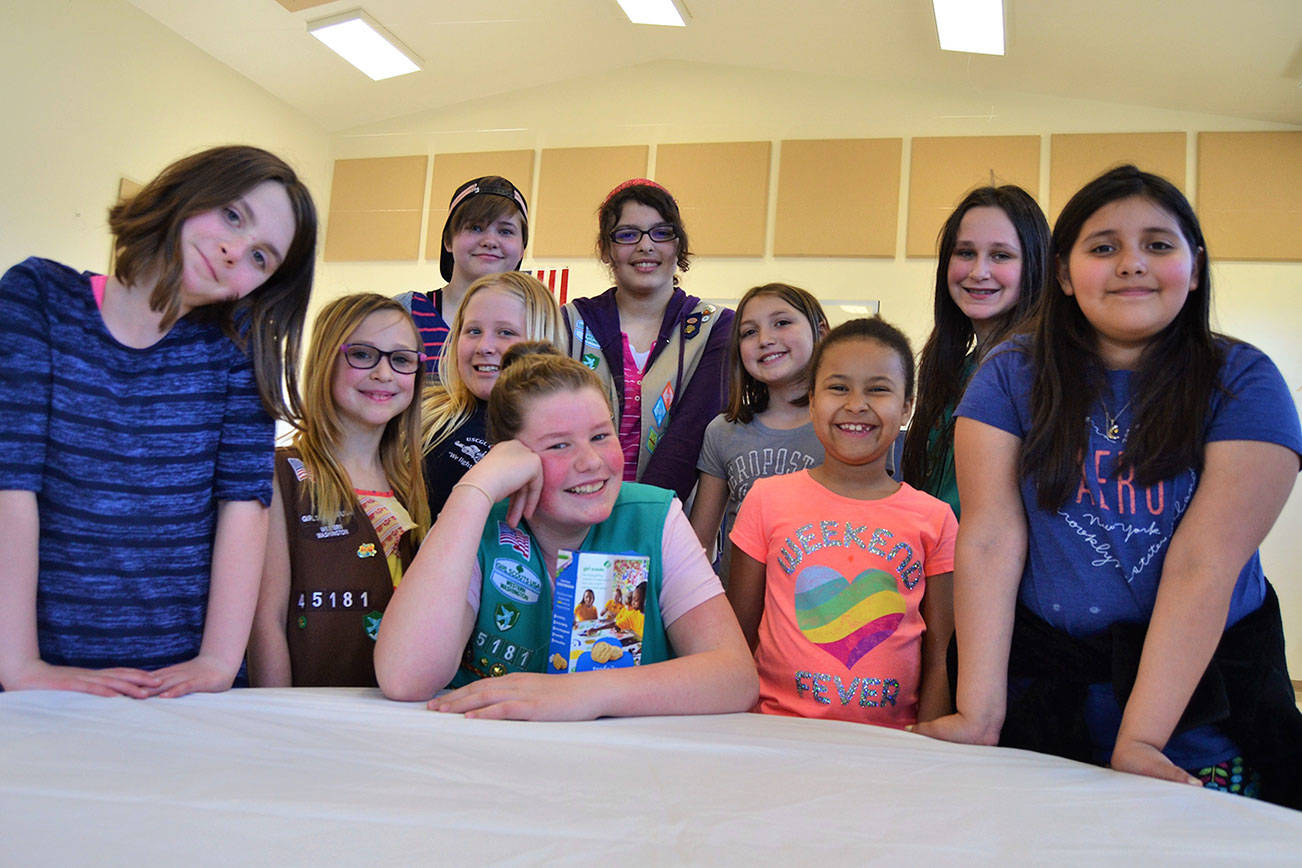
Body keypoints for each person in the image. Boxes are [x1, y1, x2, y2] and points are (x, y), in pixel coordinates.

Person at [915, 166, 1302, 808]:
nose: (1131, 264)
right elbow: (988, 540)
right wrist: (978, 713)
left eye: (1158, 244)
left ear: (1196, 267)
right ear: (1064, 274)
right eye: (1103, 247)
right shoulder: (1009, 374)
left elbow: (1205, 564)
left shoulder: (1246, 383)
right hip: (1043, 710)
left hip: (1204, 727)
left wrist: (1142, 740)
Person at [0, 145, 318, 697]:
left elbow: (244, 506)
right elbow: (11, 483)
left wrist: (218, 661)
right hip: (43, 670)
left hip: (181, 681)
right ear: (188, 190)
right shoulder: (37, 298)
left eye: (261, 258)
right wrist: (20, 664)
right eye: (232, 215)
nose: (232, 250)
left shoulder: (236, 348)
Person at [374, 343, 757, 720]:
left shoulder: (654, 518)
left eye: (600, 436)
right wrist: (474, 491)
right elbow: (405, 678)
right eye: (558, 445)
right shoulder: (480, 522)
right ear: (511, 459)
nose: (591, 462)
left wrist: (585, 694)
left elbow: (735, 678)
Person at [728, 318, 958, 729]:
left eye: (878, 389)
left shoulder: (936, 518)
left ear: (907, 406)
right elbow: (737, 638)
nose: (856, 404)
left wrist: (926, 747)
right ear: (812, 400)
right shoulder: (766, 500)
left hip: (891, 745)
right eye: (838, 387)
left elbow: (941, 653)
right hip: (774, 736)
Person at [248, 294, 430, 687]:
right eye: (363, 355)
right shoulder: (282, 472)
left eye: (401, 360)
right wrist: (276, 719)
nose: (384, 373)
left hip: (394, 708)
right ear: (326, 360)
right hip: (310, 713)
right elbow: (266, 621)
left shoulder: (410, 482)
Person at [562, 179, 732, 504]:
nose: (645, 246)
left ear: (678, 245)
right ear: (606, 249)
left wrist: (640, 519)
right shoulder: (567, 324)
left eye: (661, 232)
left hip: (672, 523)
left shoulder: (717, 327)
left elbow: (690, 437)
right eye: (627, 234)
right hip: (576, 516)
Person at [900, 186, 1049, 519]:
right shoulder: (955, 367)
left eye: (1001, 255)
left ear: (1034, 265)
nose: (978, 271)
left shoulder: (1039, 370)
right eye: (965, 252)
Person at [690, 283, 828, 584]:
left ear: (822, 331)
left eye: (782, 323)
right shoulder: (723, 431)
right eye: (749, 332)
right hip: (739, 612)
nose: (765, 339)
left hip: (821, 613)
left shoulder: (842, 428)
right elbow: (699, 544)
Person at [421, 272, 562, 517]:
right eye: (473, 331)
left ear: (542, 341)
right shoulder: (425, 416)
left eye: (506, 332)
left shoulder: (564, 437)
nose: (485, 347)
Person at [397, 176, 529, 373]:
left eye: (506, 231)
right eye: (476, 228)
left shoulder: (538, 321)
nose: (490, 241)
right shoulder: (405, 313)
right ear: (448, 241)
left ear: (522, 249)